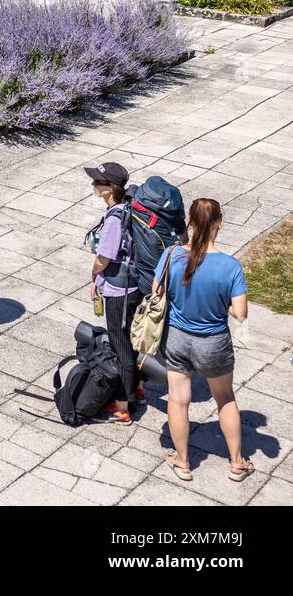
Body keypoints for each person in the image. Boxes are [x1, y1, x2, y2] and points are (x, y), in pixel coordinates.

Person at [156, 198, 253, 483]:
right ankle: (237, 463)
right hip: (213, 342)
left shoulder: (172, 254)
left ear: (190, 223)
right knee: (224, 399)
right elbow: (240, 314)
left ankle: (183, 462)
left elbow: (156, 290)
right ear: (219, 224)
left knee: (178, 399)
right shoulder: (230, 266)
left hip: (177, 338)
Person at [85, 161, 144, 426]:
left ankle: (122, 407)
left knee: (121, 345)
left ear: (110, 188)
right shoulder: (129, 209)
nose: (94, 185)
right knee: (129, 341)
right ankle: (138, 391)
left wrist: (95, 274)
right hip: (133, 285)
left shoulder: (114, 218)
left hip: (119, 289)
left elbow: (105, 257)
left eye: (98, 181)